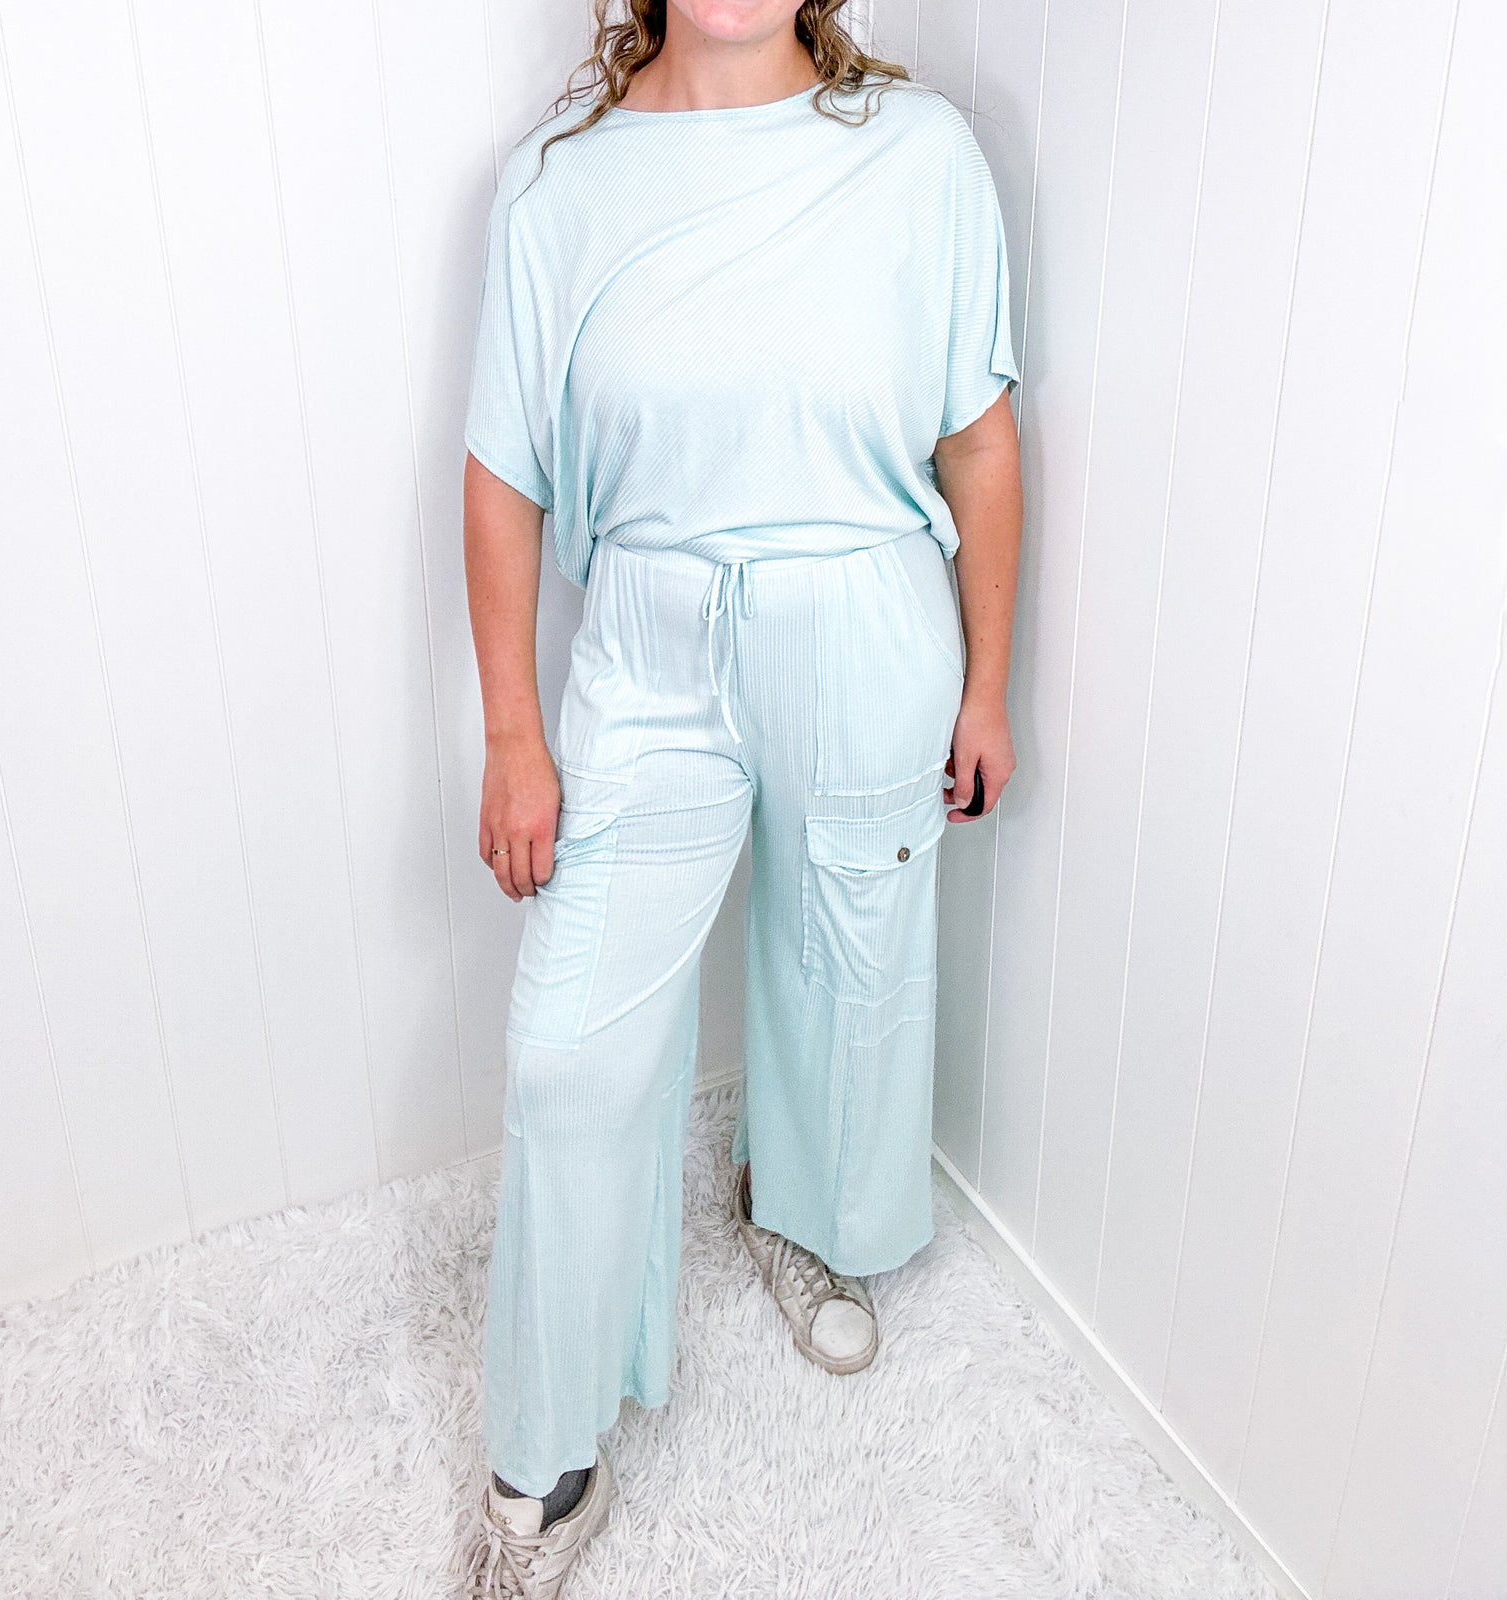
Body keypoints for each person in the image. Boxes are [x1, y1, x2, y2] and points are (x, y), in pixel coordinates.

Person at [458, 0, 1023, 1593]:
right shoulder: (554, 185)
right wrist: (514, 734)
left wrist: (987, 684)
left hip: (868, 614)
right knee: (567, 1047)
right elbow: (502, 477)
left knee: (848, 964)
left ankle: (805, 1214)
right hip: (647, 644)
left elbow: (980, 443)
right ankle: (547, 1446)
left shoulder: (919, 155)